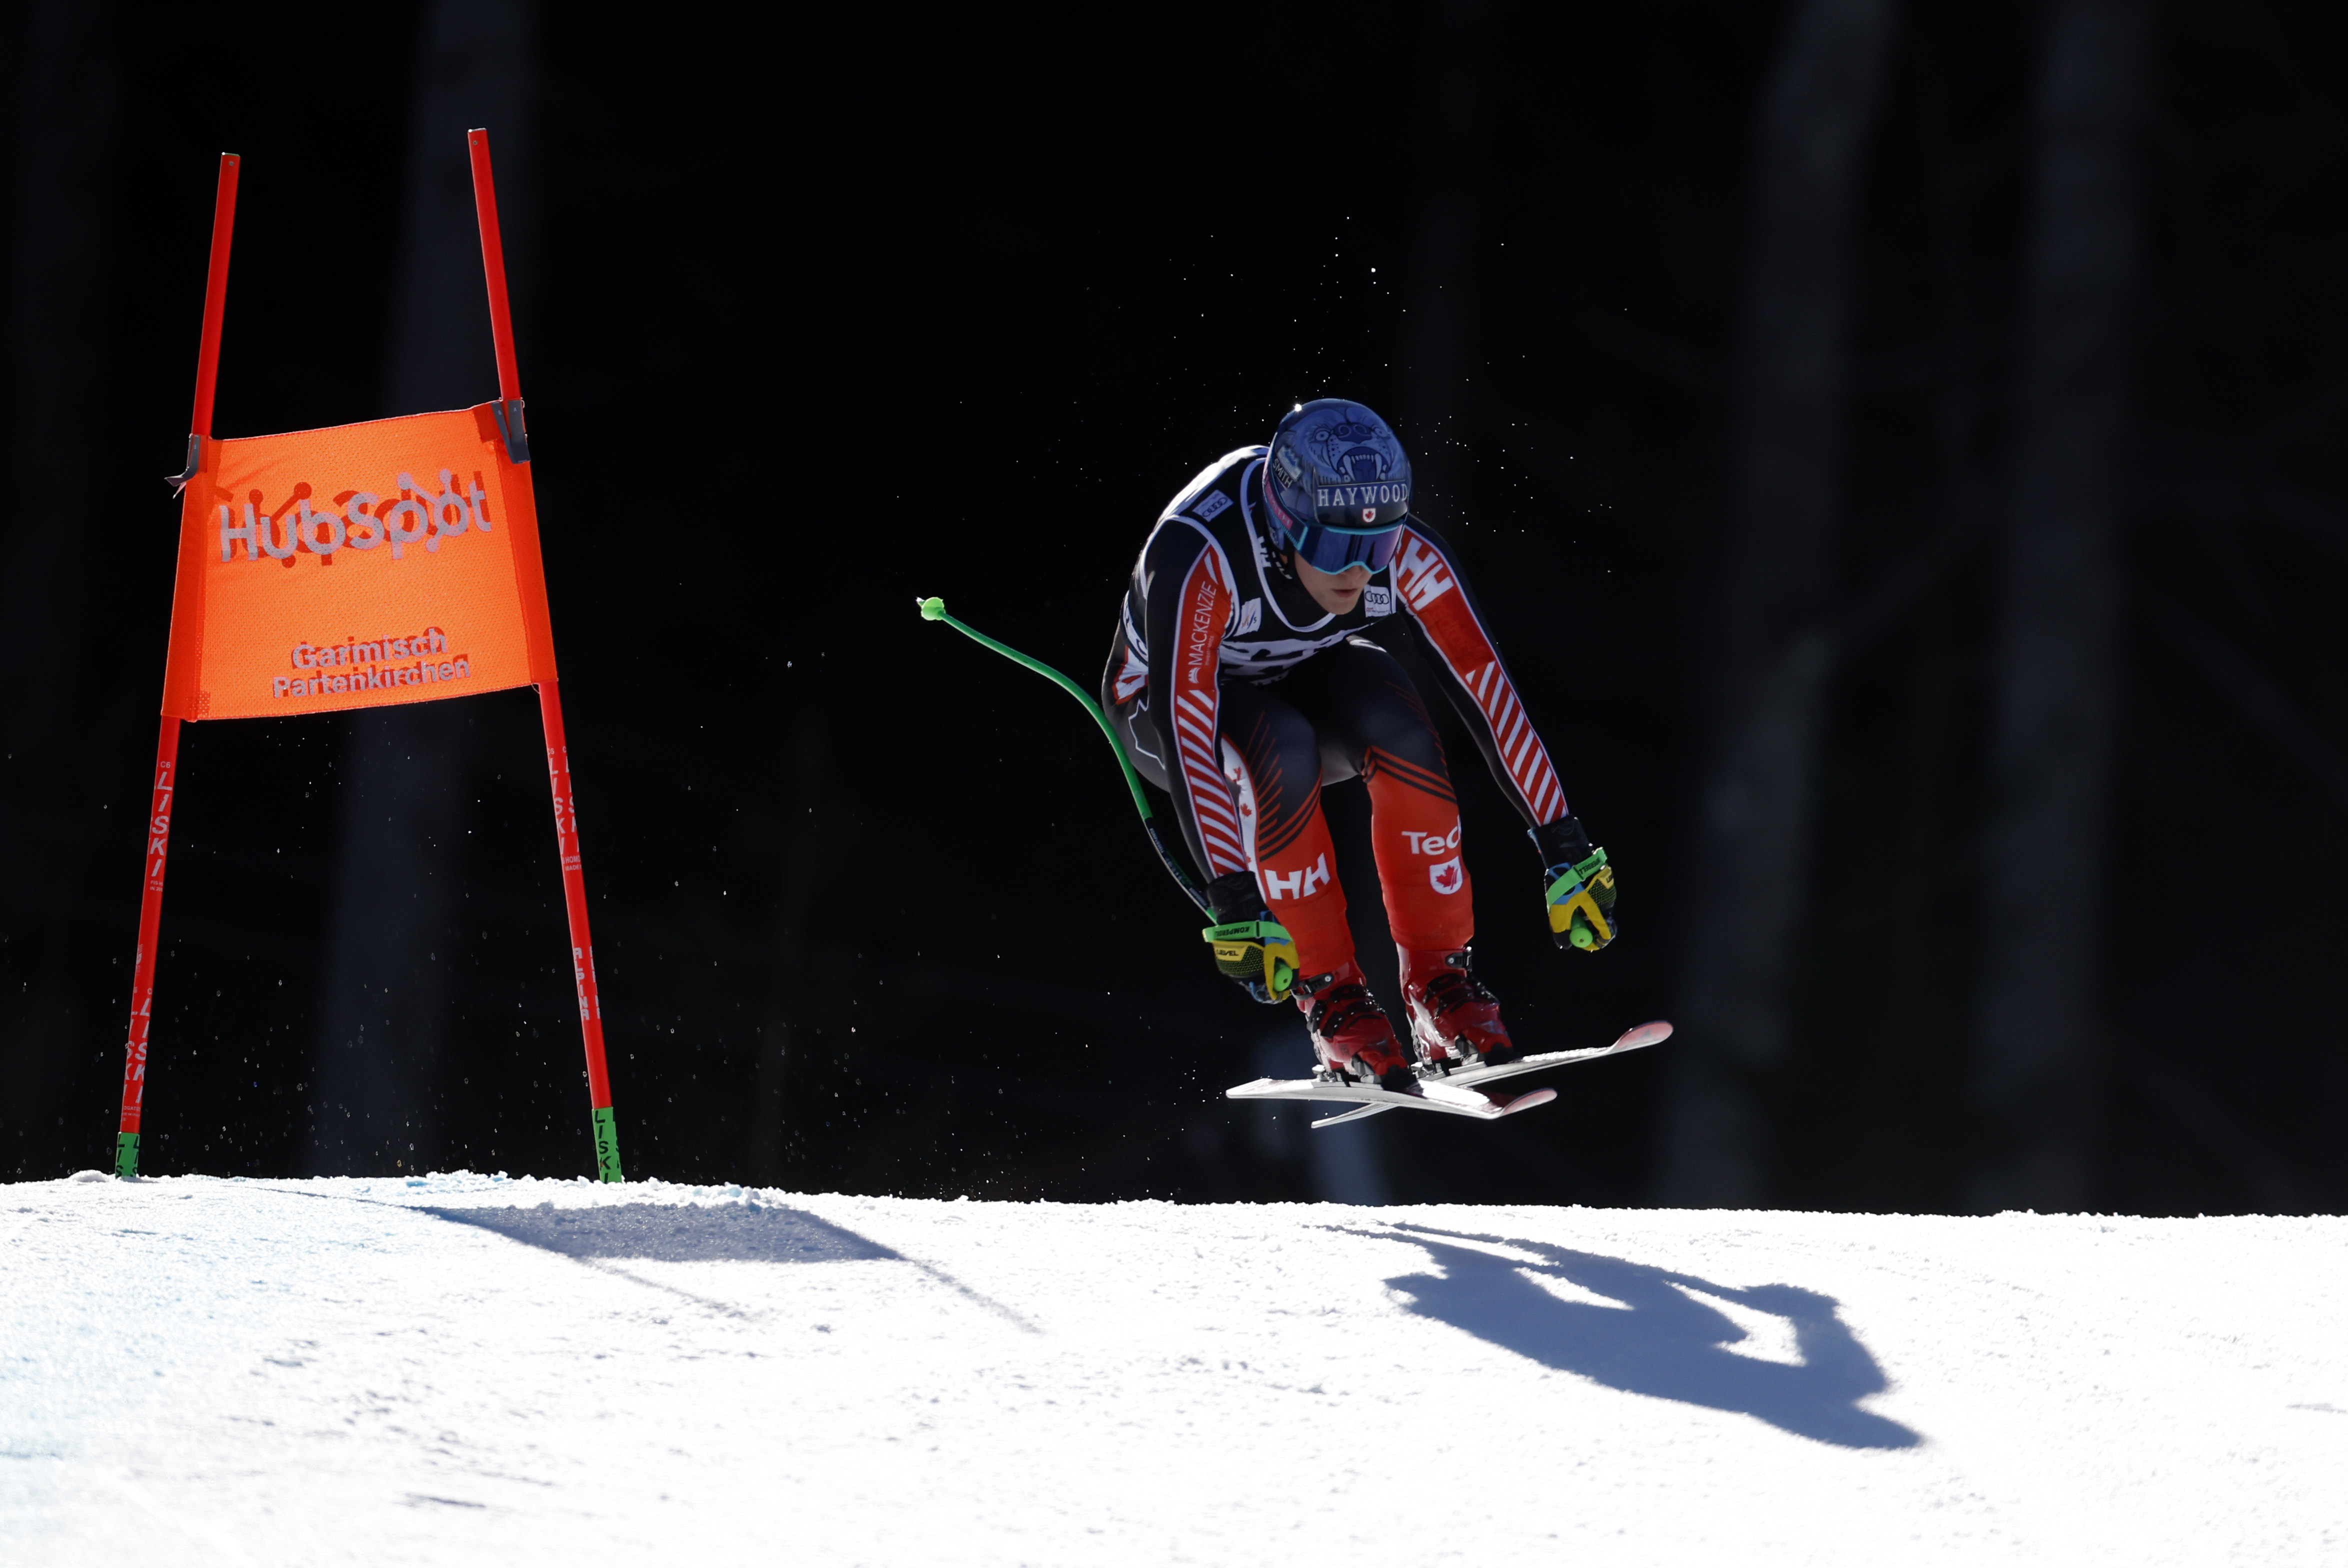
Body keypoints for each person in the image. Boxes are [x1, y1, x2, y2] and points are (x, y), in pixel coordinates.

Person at [1102, 398, 1617, 1092]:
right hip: (1163, 712)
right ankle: (1333, 998)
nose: (1360, 570)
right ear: (1283, 525)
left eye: (1376, 547)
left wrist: (1565, 844)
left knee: (1399, 727)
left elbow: (1486, 685)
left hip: (1294, 674)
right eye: (1336, 547)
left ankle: (1439, 984)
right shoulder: (1201, 552)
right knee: (1281, 750)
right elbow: (1188, 724)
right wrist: (1235, 899)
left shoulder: (1402, 550)